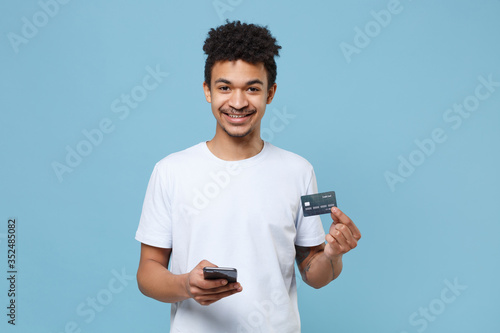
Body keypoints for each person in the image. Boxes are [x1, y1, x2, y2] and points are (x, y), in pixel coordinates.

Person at [135, 20, 361, 332]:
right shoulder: (170, 171)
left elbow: (314, 273)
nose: (238, 102)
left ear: (271, 93)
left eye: (252, 89)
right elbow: (147, 272)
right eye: (224, 87)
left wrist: (333, 255)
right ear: (207, 91)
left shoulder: (299, 171)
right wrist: (187, 284)